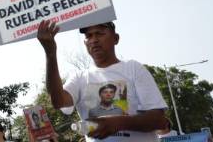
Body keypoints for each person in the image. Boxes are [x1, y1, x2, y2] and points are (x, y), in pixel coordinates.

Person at [37, 20, 166, 141]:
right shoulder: (79, 77)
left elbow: (159, 120)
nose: (94, 40)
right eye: (89, 36)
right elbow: (58, 101)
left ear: (116, 39)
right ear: (85, 43)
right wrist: (50, 53)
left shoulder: (133, 68)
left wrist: (117, 123)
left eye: (99, 33)